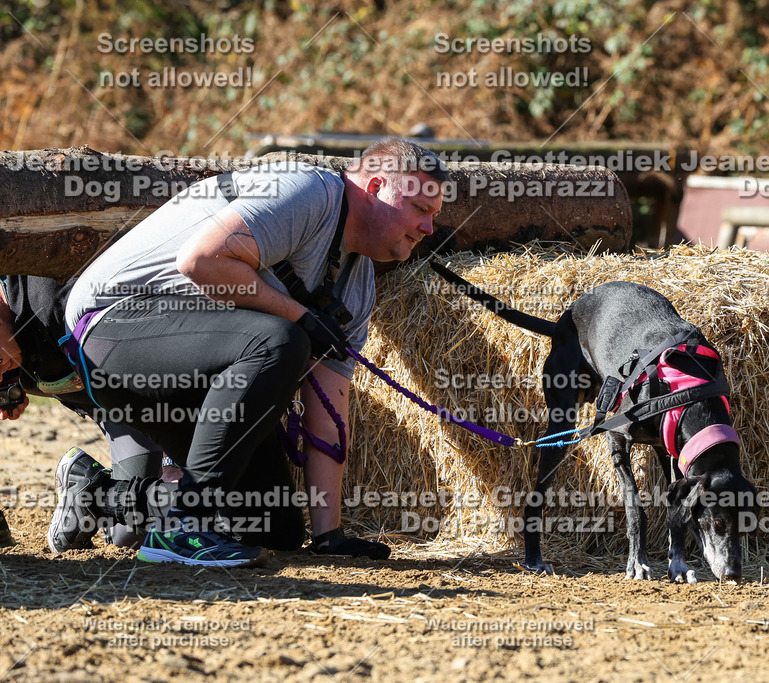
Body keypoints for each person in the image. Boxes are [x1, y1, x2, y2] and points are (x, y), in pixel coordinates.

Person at [52, 137, 449, 567]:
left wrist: (330, 535)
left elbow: (328, 412)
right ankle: (184, 527)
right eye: (421, 209)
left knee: (274, 526)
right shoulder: (311, 193)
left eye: (434, 216)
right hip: (108, 332)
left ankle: (95, 493)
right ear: (374, 188)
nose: (429, 228)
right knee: (282, 340)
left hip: (190, 380)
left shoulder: (358, 284)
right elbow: (201, 261)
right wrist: (300, 317)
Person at [0, 274, 171, 549]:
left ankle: (97, 493)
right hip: (117, 411)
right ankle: (90, 493)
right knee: (128, 535)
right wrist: (14, 381)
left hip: (154, 394)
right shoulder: (11, 351)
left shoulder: (50, 303)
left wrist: (171, 458)